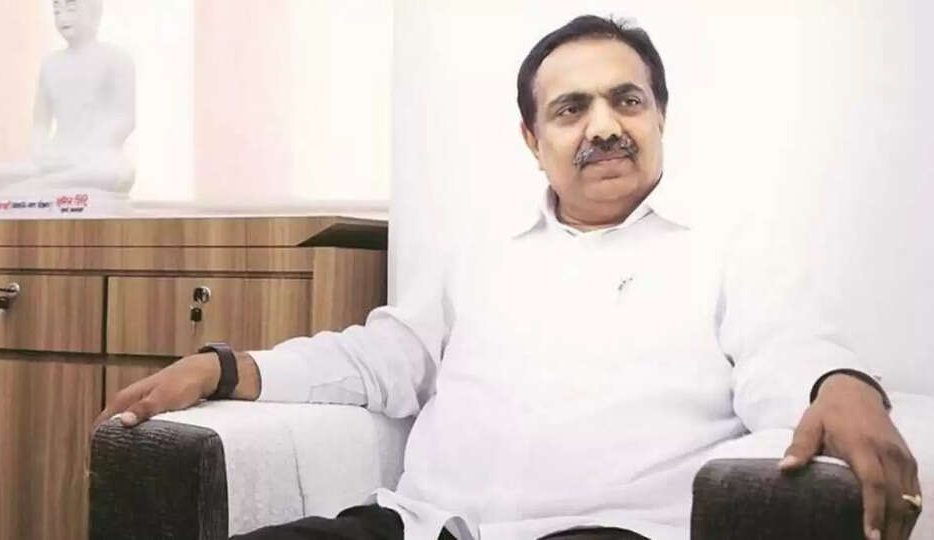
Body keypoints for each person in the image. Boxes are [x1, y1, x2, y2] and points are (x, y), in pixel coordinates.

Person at [95, 15, 921, 540]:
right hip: (419, 527)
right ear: (532, 139)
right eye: (570, 109)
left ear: (660, 116)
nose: (604, 126)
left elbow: (788, 352)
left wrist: (841, 385)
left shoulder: (723, 248)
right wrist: (225, 367)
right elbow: (381, 358)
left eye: (627, 101)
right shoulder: (482, 253)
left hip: (610, 532)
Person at [0, 0, 135, 198]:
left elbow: (125, 119)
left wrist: (85, 152)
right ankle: (41, 185)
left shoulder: (117, 59)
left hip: (97, 157)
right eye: (56, 11)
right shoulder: (51, 64)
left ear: (95, 11)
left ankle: (24, 190)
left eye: (71, 8)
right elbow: (40, 123)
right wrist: (40, 152)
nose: (62, 17)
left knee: (116, 174)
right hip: (56, 157)